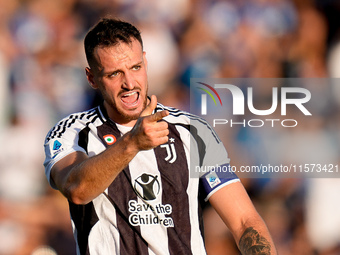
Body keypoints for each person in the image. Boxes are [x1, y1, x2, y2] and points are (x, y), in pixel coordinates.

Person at [43, 17, 277, 255]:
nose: (129, 83)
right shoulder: (72, 132)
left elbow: (244, 221)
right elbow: (77, 189)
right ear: (92, 77)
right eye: (114, 74)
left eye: (135, 68)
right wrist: (132, 143)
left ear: (145, 62)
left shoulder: (191, 131)